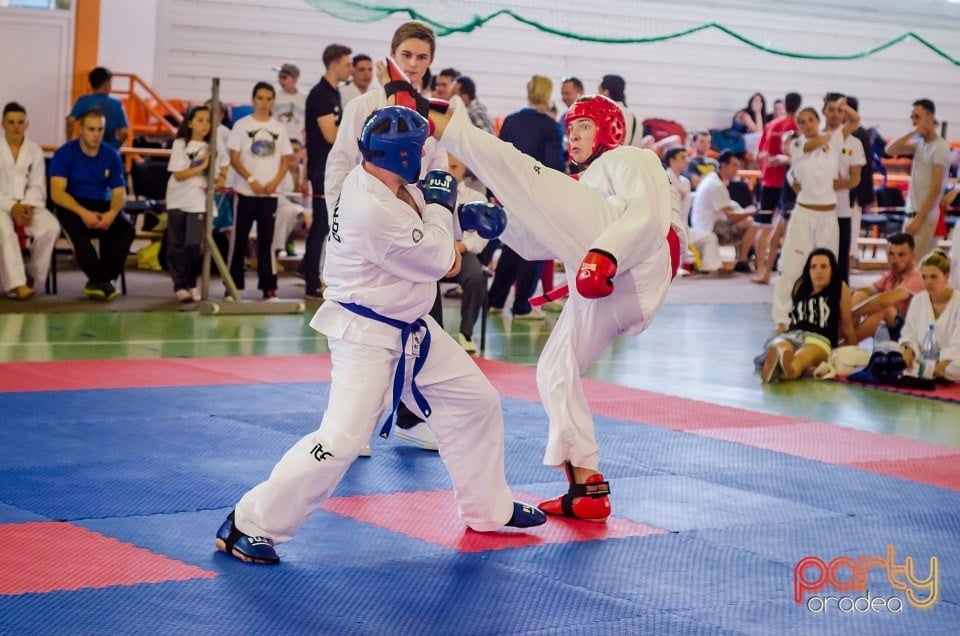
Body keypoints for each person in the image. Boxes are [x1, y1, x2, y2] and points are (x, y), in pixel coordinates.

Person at [214, 106, 545, 564]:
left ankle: (489, 509)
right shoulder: (372, 208)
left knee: (476, 401)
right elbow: (442, 260)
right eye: (421, 150)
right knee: (341, 441)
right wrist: (454, 219)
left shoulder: (381, 178)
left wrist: (461, 211)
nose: (427, 157)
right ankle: (248, 522)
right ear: (405, 155)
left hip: (411, 327)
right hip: (367, 335)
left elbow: (427, 208)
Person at [388, 72, 683, 520]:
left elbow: (649, 214)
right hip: (608, 287)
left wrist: (606, 254)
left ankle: (442, 121)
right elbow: (550, 240)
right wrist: (499, 226)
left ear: (610, 129)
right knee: (554, 372)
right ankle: (588, 485)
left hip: (635, 264)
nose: (574, 135)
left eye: (583, 125)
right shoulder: (587, 188)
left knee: (527, 174)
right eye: (571, 127)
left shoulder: (630, 160)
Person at [325, 21, 451, 452]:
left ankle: (411, 417)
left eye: (422, 58)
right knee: (362, 328)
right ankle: (348, 426)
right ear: (392, 56)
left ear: (431, 61)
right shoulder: (364, 105)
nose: (414, 65)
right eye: (407, 56)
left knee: (421, 324)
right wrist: (338, 226)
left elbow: (437, 173)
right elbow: (339, 165)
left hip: (412, 230)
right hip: (366, 228)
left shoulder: (433, 111)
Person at [771, 102, 860, 331]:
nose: (807, 125)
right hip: (804, 214)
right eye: (802, 121)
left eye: (811, 120)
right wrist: (832, 132)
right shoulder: (798, 144)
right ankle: (783, 317)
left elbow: (855, 121)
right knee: (793, 266)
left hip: (828, 216)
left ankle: (827, 317)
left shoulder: (835, 140)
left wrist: (841, 105)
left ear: (818, 121)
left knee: (828, 268)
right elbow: (818, 141)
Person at [488, 75, 564, 320]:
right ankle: (522, 305)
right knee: (535, 249)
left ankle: (495, 299)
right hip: (536, 194)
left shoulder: (511, 121)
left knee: (512, 246)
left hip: (510, 192)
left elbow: (499, 156)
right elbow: (554, 165)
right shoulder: (550, 126)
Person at [49, 109, 133, 301]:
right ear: (81, 130)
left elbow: (119, 193)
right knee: (84, 246)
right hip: (72, 205)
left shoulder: (111, 155)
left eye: (100, 130)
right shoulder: (64, 154)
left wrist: (111, 213)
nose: (96, 134)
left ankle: (100, 281)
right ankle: (104, 281)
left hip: (102, 204)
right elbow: (57, 193)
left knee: (126, 230)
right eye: (91, 129)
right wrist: (84, 213)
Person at [226, 81, 293, 299]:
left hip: (269, 195)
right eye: (260, 98)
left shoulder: (279, 129)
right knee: (239, 241)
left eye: (268, 98)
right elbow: (234, 158)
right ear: (253, 99)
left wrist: (274, 183)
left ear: (273, 101)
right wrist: (251, 179)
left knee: (267, 242)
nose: (264, 103)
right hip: (245, 193)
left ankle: (269, 287)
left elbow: (285, 160)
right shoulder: (241, 126)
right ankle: (233, 286)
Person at [302, 43, 353, 299]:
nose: (350, 69)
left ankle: (311, 273)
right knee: (322, 225)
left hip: (331, 169)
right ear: (333, 64)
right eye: (347, 64)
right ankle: (311, 280)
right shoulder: (321, 94)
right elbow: (331, 134)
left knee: (327, 225)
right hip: (322, 170)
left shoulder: (334, 94)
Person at [761, 248, 856, 383]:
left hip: (819, 339)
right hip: (793, 334)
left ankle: (787, 370)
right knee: (781, 344)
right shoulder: (800, 285)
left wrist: (855, 354)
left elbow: (847, 326)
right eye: (813, 267)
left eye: (824, 266)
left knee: (803, 356)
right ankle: (779, 360)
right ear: (808, 270)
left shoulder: (839, 288)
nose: (818, 271)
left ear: (832, 270)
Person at [0, 102, 59, 300]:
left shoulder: (35, 151)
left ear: (27, 124)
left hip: (28, 204)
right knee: (4, 230)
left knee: (50, 227)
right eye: (11, 122)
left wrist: (26, 206)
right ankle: (16, 283)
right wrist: (12, 207)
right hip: (2, 205)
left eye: (20, 122)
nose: (16, 127)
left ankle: (32, 274)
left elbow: (37, 185)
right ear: (3, 124)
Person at [885, 99, 950, 261]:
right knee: (913, 264)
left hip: (924, 216)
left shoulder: (940, 147)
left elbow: (936, 188)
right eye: (912, 117)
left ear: (929, 117)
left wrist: (918, 219)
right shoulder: (920, 144)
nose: (913, 121)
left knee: (911, 264)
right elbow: (890, 149)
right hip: (912, 213)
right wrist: (913, 132)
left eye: (917, 117)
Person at [752, 92, 800, 284]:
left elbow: (758, 155)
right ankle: (778, 272)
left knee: (766, 227)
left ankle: (762, 270)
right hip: (789, 185)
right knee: (781, 232)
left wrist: (766, 170)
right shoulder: (800, 128)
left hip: (771, 182)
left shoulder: (771, 126)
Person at [164, 105, 211, 303]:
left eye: (208, 121)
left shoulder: (212, 146)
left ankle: (191, 282)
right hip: (177, 199)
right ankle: (180, 285)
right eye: (200, 120)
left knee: (194, 244)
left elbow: (223, 166)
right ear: (190, 123)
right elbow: (179, 174)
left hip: (198, 202)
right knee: (177, 245)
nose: (204, 125)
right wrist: (202, 166)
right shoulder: (180, 144)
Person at [689, 150, 757, 273]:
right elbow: (731, 217)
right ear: (724, 166)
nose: (738, 169)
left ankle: (745, 257)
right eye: (735, 165)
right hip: (709, 226)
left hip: (707, 222)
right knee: (752, 223)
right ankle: (742, 260)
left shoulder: (714, 179)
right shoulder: (716, 185)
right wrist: (751, 212)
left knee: (747, 220)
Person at [851, 232, 925, 342]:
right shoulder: (891, 274)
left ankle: (847, 342)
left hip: (914, 333)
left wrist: (850, 312)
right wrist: (847, 295)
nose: (895, 260)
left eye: (901, 255)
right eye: (891, 254)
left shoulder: (917, 277)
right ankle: (842, 339)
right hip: (894, 329)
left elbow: (881, 302)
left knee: (886, 309)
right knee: (859, 295)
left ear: (913, 256)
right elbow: (868, 290)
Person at [899, 250, 960, 382]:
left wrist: (942, 365)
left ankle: (930, 372)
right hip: (923, 357)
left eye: (934, 277)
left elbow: (958, 344)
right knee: (891, 350)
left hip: (951, 361)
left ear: (946, 276)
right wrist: (909, 351)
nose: (928, 282)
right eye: (924, 277)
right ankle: (927, 371)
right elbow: (909, 332)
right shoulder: (918, 300)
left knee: (955, 367)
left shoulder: (958, 302)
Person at [664, 145, 724, 275]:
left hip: (684, 226)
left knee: (709, 237)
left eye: (687, 157)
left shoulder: (685, 181)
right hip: (667, 228)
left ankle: (708, 267)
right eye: (682, 157)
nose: (686, 160)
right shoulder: (663, 179)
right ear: (672, 160)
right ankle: (672, 268)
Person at [66, 67, 128, 150]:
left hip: (86, 150)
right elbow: (124, 132)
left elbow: (70, 120)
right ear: (106, 83)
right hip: (109, 150)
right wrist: (116, 146)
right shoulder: (117, 104)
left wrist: (69, 142)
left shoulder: (83, 101)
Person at [272, 62, 306, 147]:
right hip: (277, 140)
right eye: (279, 77)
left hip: (297, 143)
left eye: (284, 77)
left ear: (295, 79)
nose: (280, 80)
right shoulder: (274, 96)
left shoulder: (305, 98)